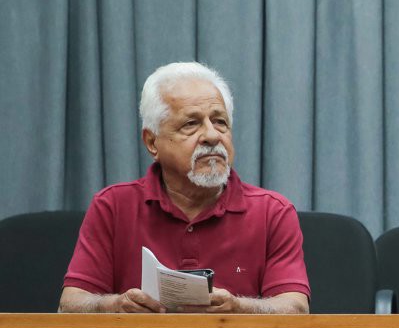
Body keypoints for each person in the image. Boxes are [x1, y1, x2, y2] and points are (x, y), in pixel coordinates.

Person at [59, 62, 309, 314]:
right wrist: (115, 305)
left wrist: (239, 308)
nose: (212, 136)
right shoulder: (113, 206)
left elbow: (296, 308)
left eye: (220, 122)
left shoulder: (273, 212)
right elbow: (69, 305)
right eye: (191, 124)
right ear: (152, 142)